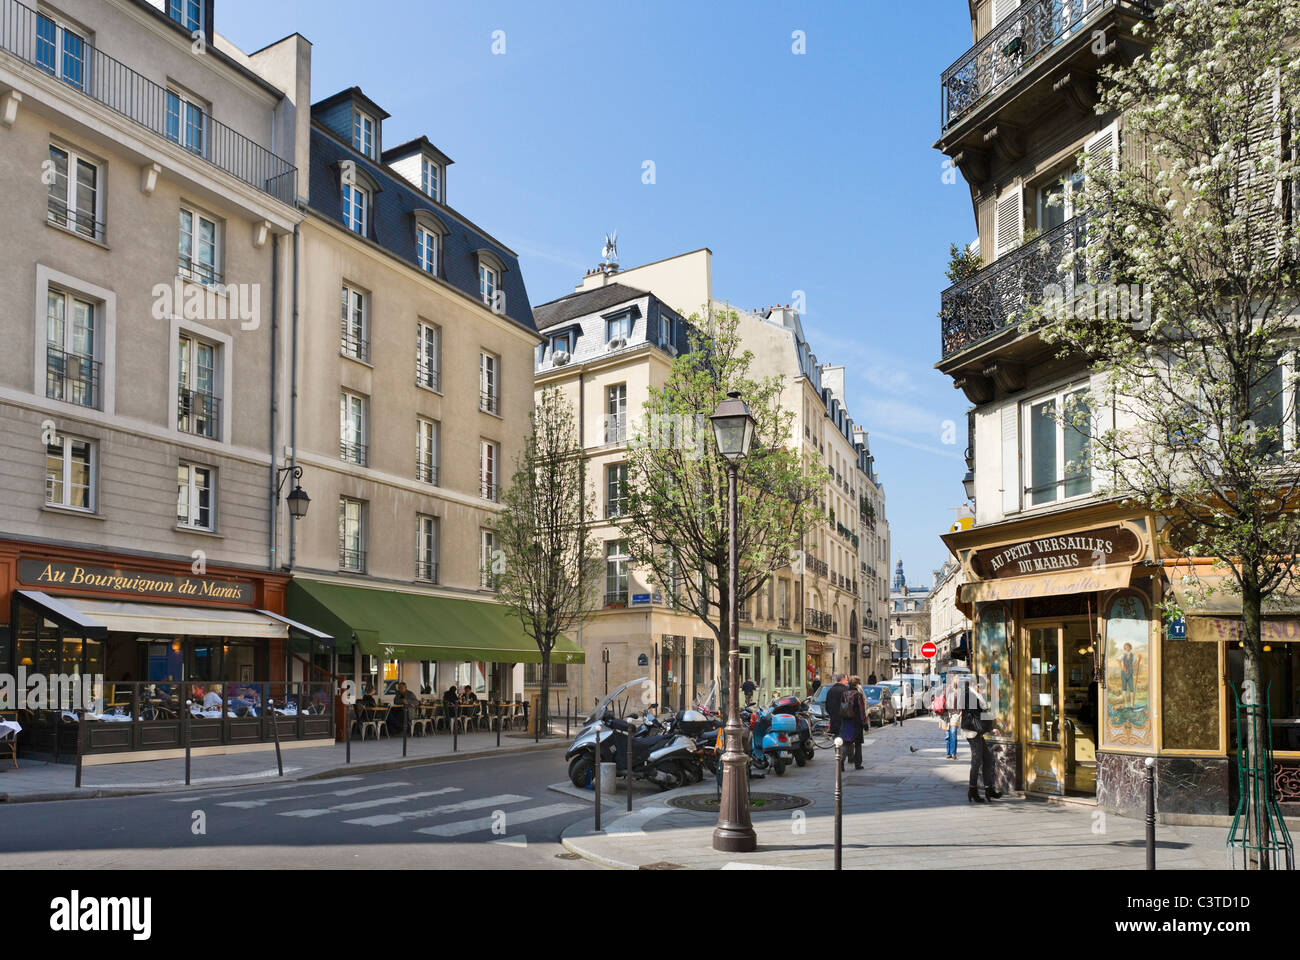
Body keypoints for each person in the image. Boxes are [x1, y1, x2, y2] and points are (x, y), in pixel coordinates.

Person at [962, 677, 1002, 802]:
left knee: (988, 759)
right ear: (974, 685)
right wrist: (991, 729)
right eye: (980, 686)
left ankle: (988, 789)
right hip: (972, 732)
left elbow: (981, 714)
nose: (983, 689)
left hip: (976, 731)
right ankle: (972, 790)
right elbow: (978, 715)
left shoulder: (975, 695)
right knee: (976, 761)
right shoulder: (969, 696)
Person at [839, 676, 868, 771]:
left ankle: (841, 762)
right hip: (856, 722)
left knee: (847, 743)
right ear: (857, 684)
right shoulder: (858, 695)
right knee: (858, 744)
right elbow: (861, 710)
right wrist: (865, 723)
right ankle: (858, 764)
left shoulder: (844, 694)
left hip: (846, 721)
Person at [940, 676, 961, 759]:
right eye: (957, 680)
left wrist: (961, 712)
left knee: (953, 732)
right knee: (947, 734)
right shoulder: (947, 689)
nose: (958, 681)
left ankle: (953, 753)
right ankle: (948, 753)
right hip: (946, 714)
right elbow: (942, 700)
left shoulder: (960, 691)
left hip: (955, 714)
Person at [825, 674, 847, 740]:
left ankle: (837, 749)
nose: (847, 682)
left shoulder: (830, 690)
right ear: (842, 680)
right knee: (842, 739)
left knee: (836, 739)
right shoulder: (845, 690)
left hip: (833, 718)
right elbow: (847, 705)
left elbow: (827, 705)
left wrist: (831, 713)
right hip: (842, 719)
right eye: (846, 680)